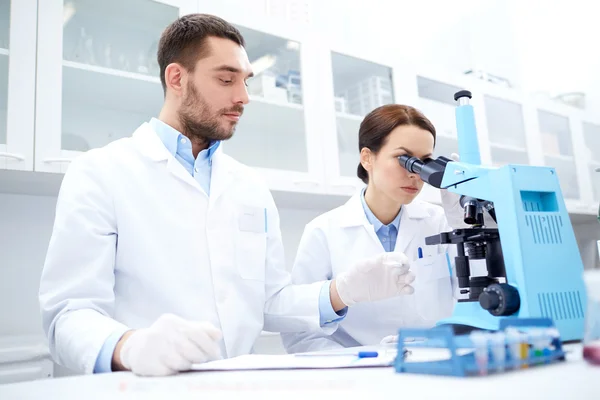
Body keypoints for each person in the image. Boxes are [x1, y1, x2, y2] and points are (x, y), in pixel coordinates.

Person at [38, 14, 417, 377]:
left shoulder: (249, 187)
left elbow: (269, 303)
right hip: (141, 386)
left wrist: (340, 291)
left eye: (246, 81)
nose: (244, 97)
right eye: (226, 80)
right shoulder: (101, 172)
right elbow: (68, 315)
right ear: (176, 78)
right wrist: (130, 347)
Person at [281, 104, 461, 353]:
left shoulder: (442, 221)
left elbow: (478, 303)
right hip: (359, 376)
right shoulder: (323, 231)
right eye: (405, 160)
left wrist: (468, 226)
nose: (416, 175)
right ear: (367, 157)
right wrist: (361, 364)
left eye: (424, 162)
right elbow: (299, 333)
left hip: (433, 363)